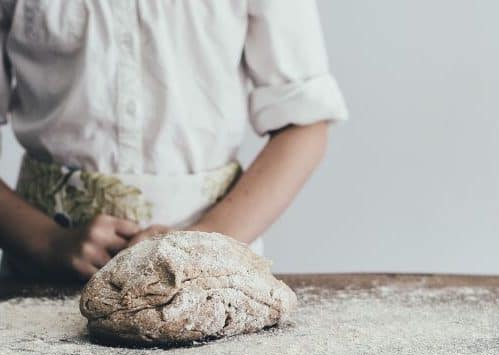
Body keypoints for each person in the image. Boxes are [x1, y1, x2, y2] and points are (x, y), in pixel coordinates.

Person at [0, 1, 348, 280]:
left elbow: (304, 124)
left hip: (214, 273)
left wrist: (204, 242)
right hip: (40, 272)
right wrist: (46, 241)